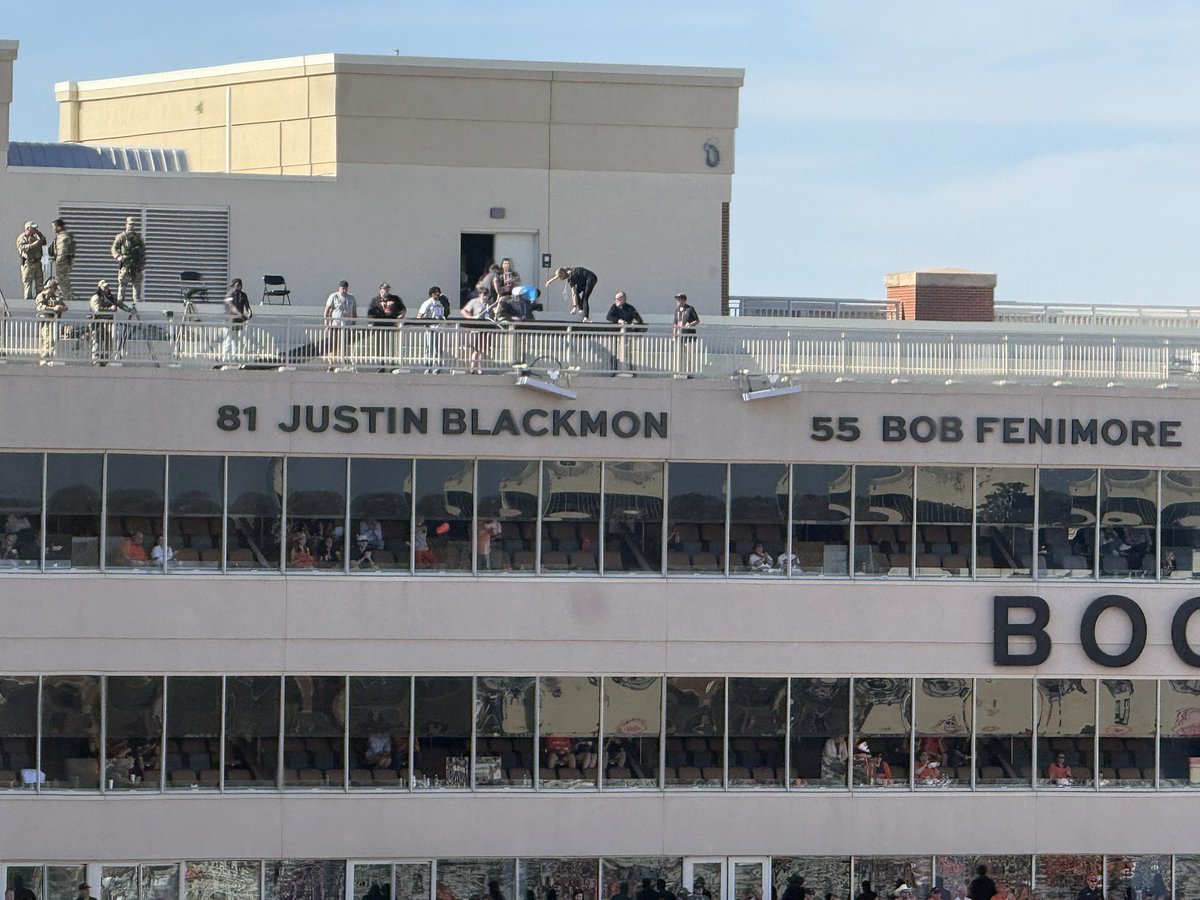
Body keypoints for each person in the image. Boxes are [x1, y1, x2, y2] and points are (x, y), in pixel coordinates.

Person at [88, 279, 133, 365]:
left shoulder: (110, 297)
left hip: (108, 322)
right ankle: (96, 359)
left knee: (108, 341)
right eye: (104, 287)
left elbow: (119, 304)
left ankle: (105, 359)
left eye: (107, 287)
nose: (106, 289)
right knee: (97, 340)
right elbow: (97, 310)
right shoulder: (96, 297)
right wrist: (110, 309)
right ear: (100, 287)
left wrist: (129, 310)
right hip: (97, 322)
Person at [110, 215, 146, 305]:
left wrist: (141, 264)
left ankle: (137, 306)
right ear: (126, 224)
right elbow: (114, 248)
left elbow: (142, 251)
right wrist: (119, 257)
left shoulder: (138, 238)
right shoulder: (121, 236)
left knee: (137, 289)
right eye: (130, 224)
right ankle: (119, 304)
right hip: (126, 265)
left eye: (133, 225)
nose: (132, 226)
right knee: (122, 287)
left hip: (136, 266)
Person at [323, 280, 358, 368]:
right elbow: (327, 311)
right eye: (343, 288)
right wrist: (327, 323)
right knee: (334, 345)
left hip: (347, 325)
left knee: (345, 345)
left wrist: (354, 323)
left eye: (346, 289)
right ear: (339, 288)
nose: (344, 290)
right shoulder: (334, 296)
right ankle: (331, 363)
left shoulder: (351, 298)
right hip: (336, 325)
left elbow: (354, 312)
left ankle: (344, 363)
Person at [34, 276, 67, 362]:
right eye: (54, 288)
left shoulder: (55, 297)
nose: (55, 290)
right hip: (46, 321)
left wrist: (60, 308)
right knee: (47, 338)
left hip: (55, 322)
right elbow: (41, 307)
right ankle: (45, 357)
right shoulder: (42, 296)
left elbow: (65, 307)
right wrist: (53, 309)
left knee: (54, 339)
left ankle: (51, 357)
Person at [221, 278, 252, 363]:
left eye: (240, 285)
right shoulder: (229, 295)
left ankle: (235, 358)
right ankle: (225, 359)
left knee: (236, 341)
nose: (239, 286)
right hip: (228, 321)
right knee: (228, 340)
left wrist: (249, 313)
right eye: (237, 284)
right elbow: (231, 308)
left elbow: (247, 306)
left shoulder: (243, 295)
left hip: (238, 322)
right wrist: (241, 315)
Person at [16, 220, 48, 300]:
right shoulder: (22, 238)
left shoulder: (35, 236)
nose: (34, 230)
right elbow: (23, 248)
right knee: (28, 283)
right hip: (28, 263)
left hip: (37, 262)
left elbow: (44, 242)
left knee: (39, 283)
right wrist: (34, 244)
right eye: (33, 228)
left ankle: (39, 299)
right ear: (28, 229)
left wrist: (39, 234)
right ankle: (28, 299)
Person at [48, 217, 76, 301]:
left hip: (62, 264)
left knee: (62, 281)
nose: (53, 228)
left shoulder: (63, 238)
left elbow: (62, 253)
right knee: (63, 281)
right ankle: (66, 297)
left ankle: (66, 298)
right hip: (64, 263)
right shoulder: (62, 237)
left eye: (54, 226)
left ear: (59, 227)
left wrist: (58, 263)